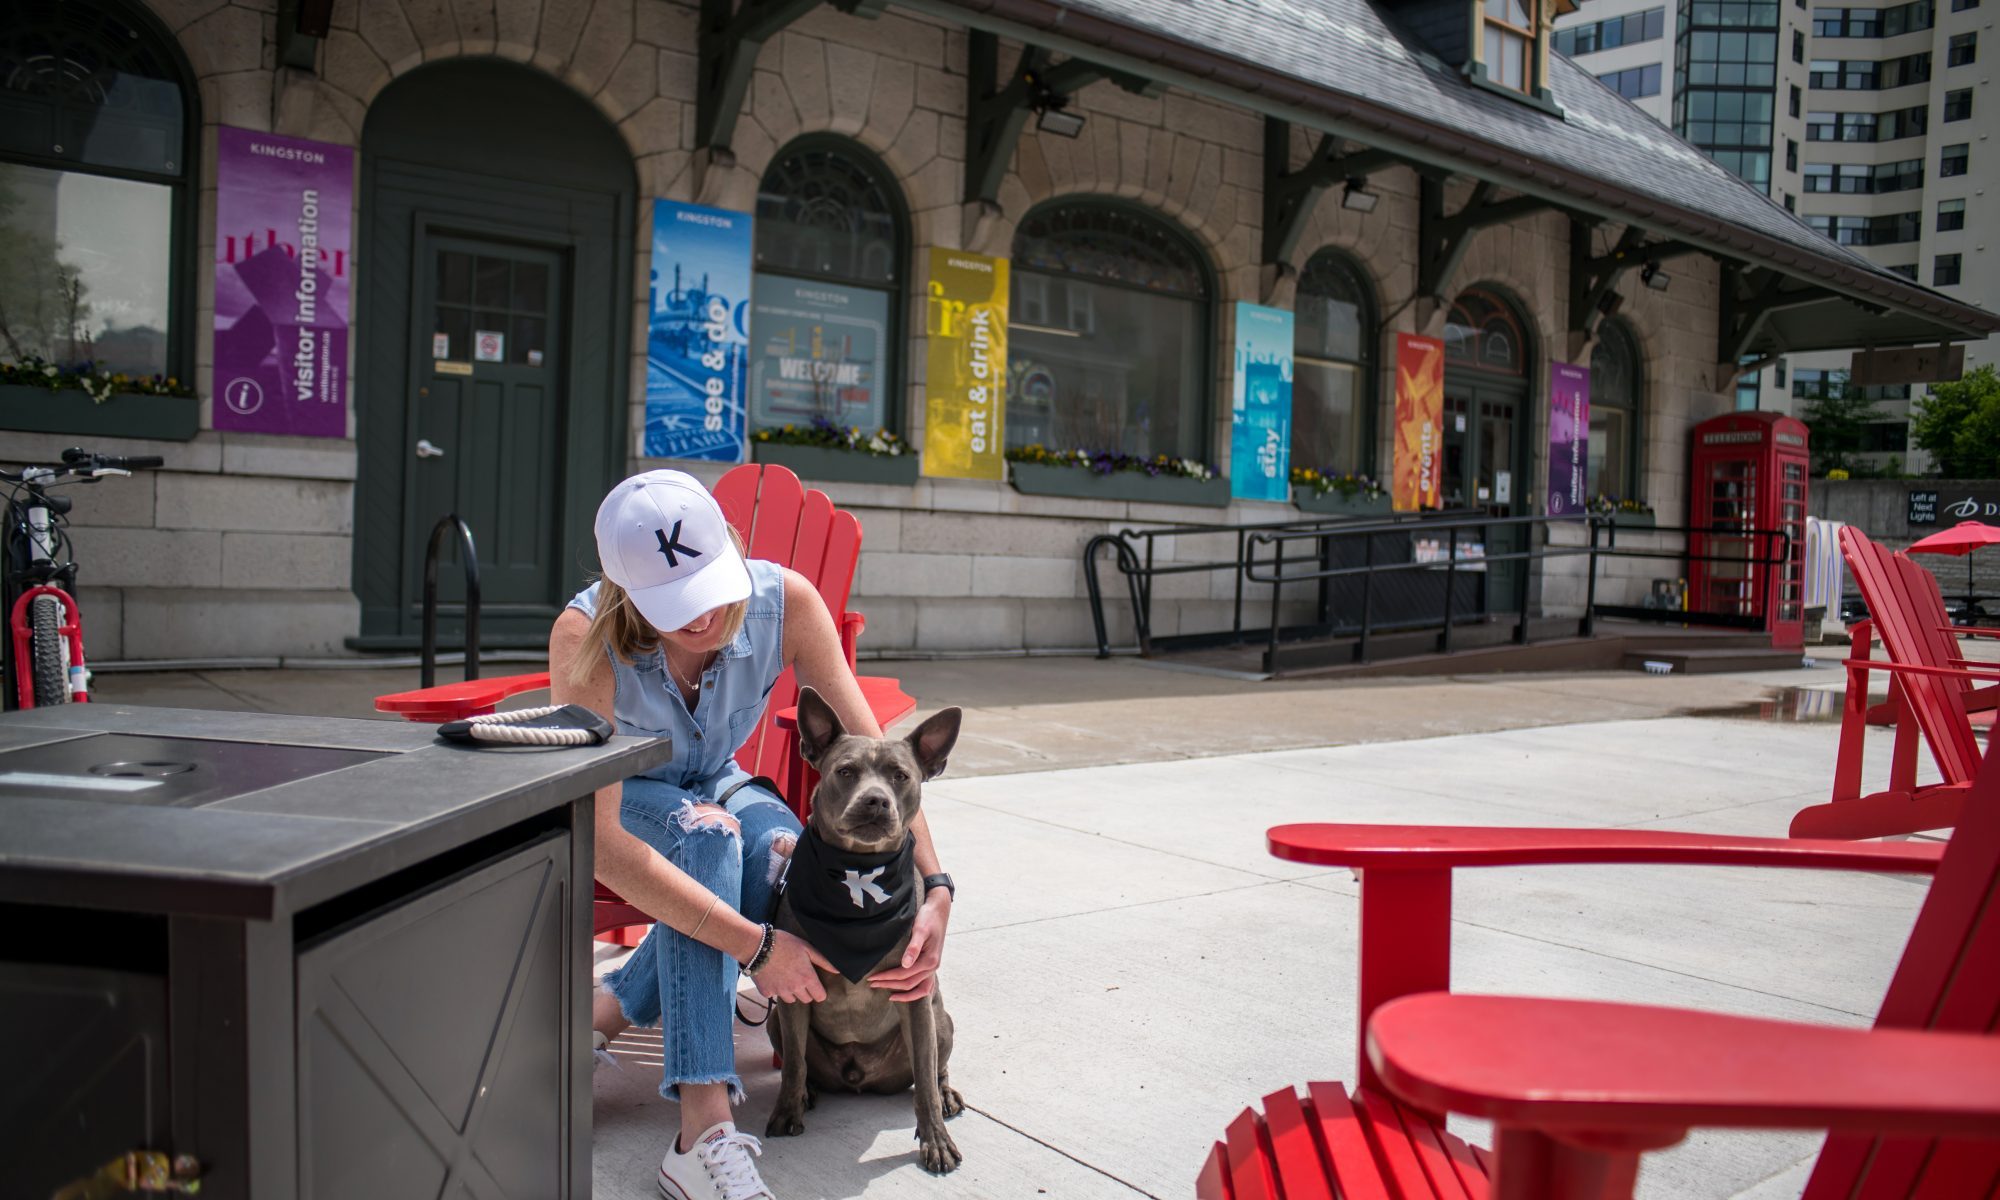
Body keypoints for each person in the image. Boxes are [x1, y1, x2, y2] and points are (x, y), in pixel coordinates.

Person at [551, 469, 954, 1200]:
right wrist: (756, 948)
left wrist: (937, 887)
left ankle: (604, 1015)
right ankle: (699, 1135)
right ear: (622, 593)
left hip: (721, 777)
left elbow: (877, 746)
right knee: (708, 841)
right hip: (634, 799)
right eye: (672, 608)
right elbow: (604, 840)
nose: (701, 621)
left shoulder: (786, 604)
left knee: (789, 862)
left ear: (732, 551)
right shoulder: (586, 638)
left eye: (709, 592)